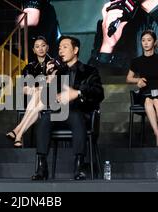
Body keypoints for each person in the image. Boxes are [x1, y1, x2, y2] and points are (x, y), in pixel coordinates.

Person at [32, 36, 104, 181]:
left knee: (75, 115)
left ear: (75, 50)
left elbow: (99, 93)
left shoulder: (89, 71)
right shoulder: (57, 72)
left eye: (65, 47)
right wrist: (48, 80)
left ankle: (79, 166)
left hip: (80, 114)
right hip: (59, 113)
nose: (60, 50)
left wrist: (77, 93)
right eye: (59, 48)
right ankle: (42, 166)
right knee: (45, 117)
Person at [126, 30, 158, 146]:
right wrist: (137, 80)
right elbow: (128, 78)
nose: (146, 43)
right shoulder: (136, 61)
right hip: (145, 93)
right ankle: (157, 134)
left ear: (155, 42)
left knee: (156, 100)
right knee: (148, 101)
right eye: (143, 40)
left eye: (149, 40)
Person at [6, 36, 54, 148]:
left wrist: (38, 87)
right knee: (38, 94)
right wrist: (37, 89)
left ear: (47, 47)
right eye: (37, 47)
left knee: (40, 91)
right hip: (36, 100)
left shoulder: (53, 63)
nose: (40, 49)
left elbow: (53, 84)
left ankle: (17, 131)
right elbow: (24, 89)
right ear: (34, 50)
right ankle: (18, 136)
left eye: (43, 45)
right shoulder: (29, 67)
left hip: (53, 98)